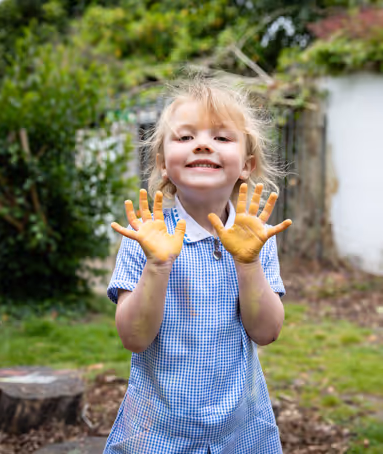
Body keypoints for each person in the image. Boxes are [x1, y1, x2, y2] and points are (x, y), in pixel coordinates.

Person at [104, 76, 292, 454]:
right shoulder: (144, 235)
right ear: (162, 162)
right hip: (157, 431)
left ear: (247, 164)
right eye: (185, 137)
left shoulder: (256, 237)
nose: (203, 143)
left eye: (221, 138)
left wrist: (248, 263)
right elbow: (134, 338)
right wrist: (157, 265)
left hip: (239, 431)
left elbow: (267, 331)